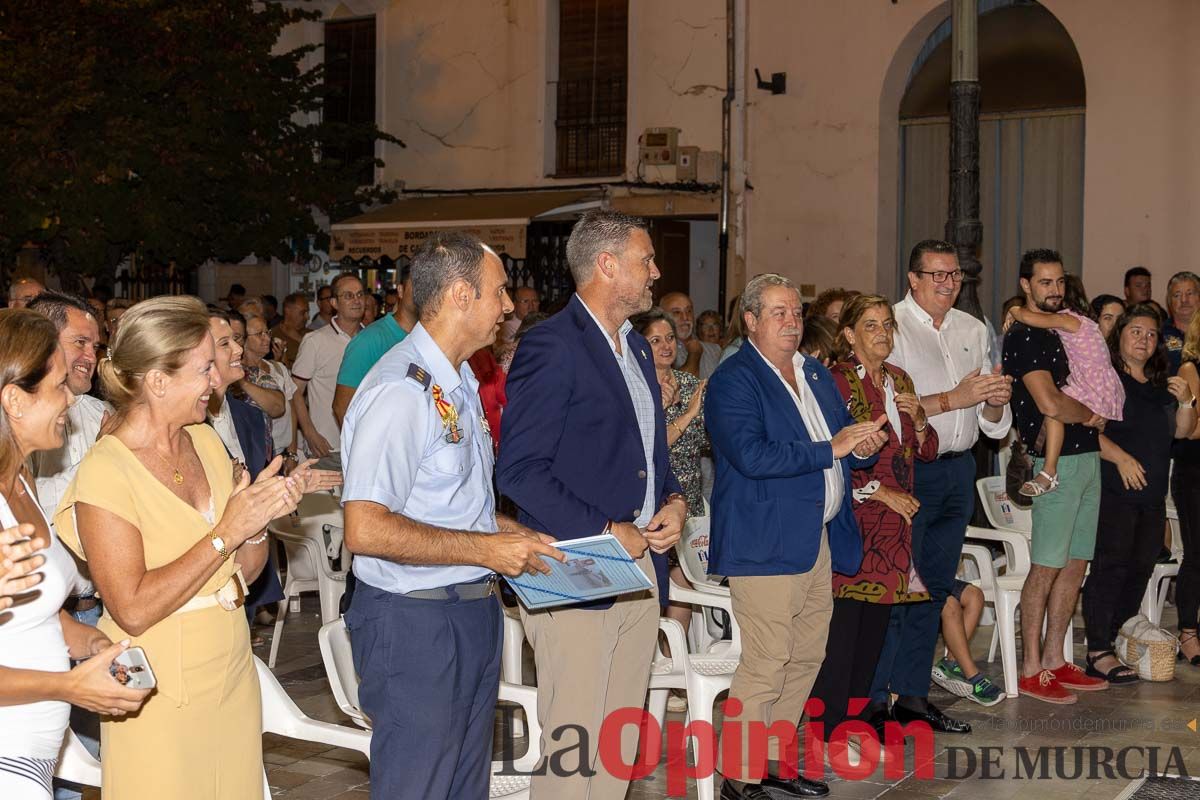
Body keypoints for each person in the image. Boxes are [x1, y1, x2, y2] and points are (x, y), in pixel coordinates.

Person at [341, 233, 563, 800]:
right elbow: (365, 527)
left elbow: (454, 505)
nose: (509, 306)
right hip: (414, 621)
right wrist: (486, 550)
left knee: (466, 786)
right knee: (419, 785)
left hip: (470, 611)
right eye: (500, 292)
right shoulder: (401, 389)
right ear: (462, 295)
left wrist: (510, 533)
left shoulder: (461, 377)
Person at [54, 296, 303, 799]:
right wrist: (226, 532)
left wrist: (257, 518)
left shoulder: (206, 441)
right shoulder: (107, 471)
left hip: (230, 667)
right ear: (158, 380)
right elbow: (132, 606)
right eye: (204, 368)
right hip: (156, 684)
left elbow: (246, 573)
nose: (216, 381)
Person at [497, 210, 687, 800]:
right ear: (607, 265)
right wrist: (608, 529)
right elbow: (520, 470)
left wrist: (675, 500)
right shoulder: (552, 344)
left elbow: (649, 451)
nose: (655, 272)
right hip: (575, 566)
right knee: (573, 745)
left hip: (638, 566)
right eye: (645, 260)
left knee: (617, 743)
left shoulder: (632, 343)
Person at [706, 275, 886, 799]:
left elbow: (845, 438)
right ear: (752, 321)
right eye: (778, 313)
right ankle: (738, 779)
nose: (791, 322)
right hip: (764, 539)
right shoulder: (734, 379)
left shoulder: (810, 370)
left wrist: (862, 444)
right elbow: (752, 455)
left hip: (816, 533)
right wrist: (832, 447)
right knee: (766, 661)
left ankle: (774, 761)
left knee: (806, 656)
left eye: (796, 313)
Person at [0, 309, 150, 800]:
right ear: (15, 401)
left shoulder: (19, 480)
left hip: (36, 753)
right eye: (60, 386)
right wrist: (67, 687)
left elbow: (32, 613)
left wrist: (89, 644)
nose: (71, 398)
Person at [869, 240, 1010, 734]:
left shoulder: (974, 328)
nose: (948, 284)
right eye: (937, 275)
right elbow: (888, 410)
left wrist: (994, 400)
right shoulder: (892, 327)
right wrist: (955, 397)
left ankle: (912, 696)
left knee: (934, 588)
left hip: (959, 468)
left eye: (955, 276)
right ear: (913, 279)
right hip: (909, 469)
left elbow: (994, 425)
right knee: (898, 587)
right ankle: (878, 698)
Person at [809, 294, 945, 755]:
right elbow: (829, 452)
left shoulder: (900, 379)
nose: (883, 333)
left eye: (888, 324)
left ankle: (853, 721)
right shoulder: (837, 381)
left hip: (894, 528)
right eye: (871, 325)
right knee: (843, 632)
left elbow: (924, 451)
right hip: (856, 519)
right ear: (848, 334)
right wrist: (878, 492)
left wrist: (921, 421)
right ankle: (826, 729)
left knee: (874, 633)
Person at [1003, 249, 1108, 704]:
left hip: (1087, 457)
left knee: (1076, 563)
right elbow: (1048, 403)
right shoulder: (1022, 336)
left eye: (1059, 282)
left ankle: (1054, 660)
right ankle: (1030, 668)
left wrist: (1090, 420)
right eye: (1044, 282)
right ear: (1026, 285)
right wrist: (1090, 414)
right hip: (1055, 460)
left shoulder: (1063, 324)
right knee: (1046, 565)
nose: (1055, 290)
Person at [1081, 305, 1196, 683]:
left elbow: (1181, 432)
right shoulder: (1106, 379)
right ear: (1120, 335)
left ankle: (1116, 637)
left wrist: (1184, 402)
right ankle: (1097, 649)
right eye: (1136, 331)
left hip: (1152, 496)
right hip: (1114, 490)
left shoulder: (1160, 386)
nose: (1144, 339)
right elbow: (1085, 432)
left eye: (1151, 334)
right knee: (1109, 567)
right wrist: (1122, 458)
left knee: (1140, 569)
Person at [25, 292, 108, 800]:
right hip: (40, 634)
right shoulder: (20, 435)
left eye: (96, 346)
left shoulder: (101, 415)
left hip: (86, 615)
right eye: (79, 342)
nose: (91, 357)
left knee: (85, 766)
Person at [631, 306, 707, 698]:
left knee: (686, 584)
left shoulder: (690, 382)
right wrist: (686, 413)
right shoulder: (635, 385)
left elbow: (711, 440)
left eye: (670, 338)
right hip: (651, 500)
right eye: (654, 340)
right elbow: (648, 447)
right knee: (655, 587)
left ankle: (669, 662)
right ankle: (646, 667)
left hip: (688, 501)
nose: (664, 346)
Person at [1008, 275, 1125, 497]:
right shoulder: (1086, 323)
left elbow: (1032, 318)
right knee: (1064, 409)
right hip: (1100, 383)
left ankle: (1049, 471)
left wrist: (1015, 310)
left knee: (1055, 409)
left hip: (1092, 383)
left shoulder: (1067, 320)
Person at [292, 273, 365, 469]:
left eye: (360, 295)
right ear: (334, 302)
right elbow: (293, 391)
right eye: (348, 296)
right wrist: (309, 432)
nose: (356, 300)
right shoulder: (315, 341)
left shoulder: (371, 340)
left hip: (366, 447)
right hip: (328, 448)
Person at [332, 264, 417, 427]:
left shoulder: (430, 337)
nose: (424, 294)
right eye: (417, 286)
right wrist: (364, 449)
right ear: (400, 290)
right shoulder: (369, 340)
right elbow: (341, 406)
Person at [1174, 312, 1200, 666]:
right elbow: (1190, 430)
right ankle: (1187, 632)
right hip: (1195, 470)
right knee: (1196, 553)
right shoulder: (1189, 370)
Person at [931, 580, 1003, 705]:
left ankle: (950, 662)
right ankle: (973, 677)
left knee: (975, 596)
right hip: (911, 578)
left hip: (935, 576)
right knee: (951, 606)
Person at [243, 314, 299, 459]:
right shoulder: (239, 376)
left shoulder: (278, 368)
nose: (267, 338)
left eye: (267, 333)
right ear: (243, 339)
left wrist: (292, 454)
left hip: (283, 453)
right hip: (256, 455)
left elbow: (291, 412)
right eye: (259, 334)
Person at [662, 291, 721, 378]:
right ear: (663, 317)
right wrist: (694, 354)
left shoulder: (714, 349)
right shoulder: (661, 351)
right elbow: (682, 386)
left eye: (689, 311)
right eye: (677, 312)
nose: (685, 317)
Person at [1163, 271, 1200, 373]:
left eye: (1190, 293)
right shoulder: (1159, 334)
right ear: (1170, 301)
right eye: (1177, 295)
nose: (1184, 300)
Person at [270, 292, 310, 369]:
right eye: (303, 312)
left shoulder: (312, 334)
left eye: (308, 312)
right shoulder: (273, 335)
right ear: (288, 311)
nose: (308, 317)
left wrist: (300, 339)